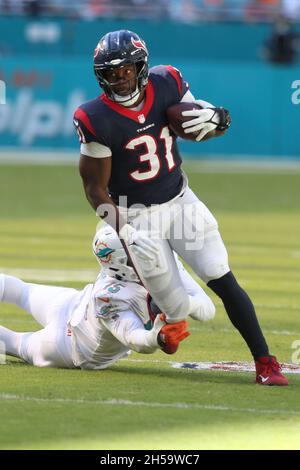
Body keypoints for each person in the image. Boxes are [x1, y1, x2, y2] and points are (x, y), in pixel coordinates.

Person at [74, 30, 288, 385]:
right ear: (100, 76)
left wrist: (220, 120)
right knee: (179, 312)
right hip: (138, 218)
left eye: (127, 69)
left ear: (141, 67)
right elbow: (94, 189)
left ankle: (266, 362)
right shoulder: (93, 117)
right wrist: (122, 228)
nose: (121, 78)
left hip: (180, 201)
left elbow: (197, 122)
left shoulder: (168, 81)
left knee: (222, 275)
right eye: (112, 73)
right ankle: (162, 303)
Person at [0, 225, 216, 370]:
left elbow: (207, 309)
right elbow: (135, 338)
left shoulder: (156, 257)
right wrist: (157, 338)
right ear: (122, 264)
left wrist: (182, 304)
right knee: (15, 342)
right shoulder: (110, 296)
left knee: (22, 291)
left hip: (72, 301)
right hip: (67, 344)